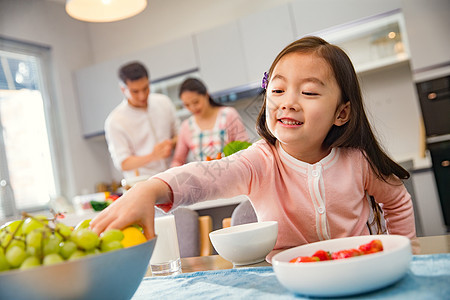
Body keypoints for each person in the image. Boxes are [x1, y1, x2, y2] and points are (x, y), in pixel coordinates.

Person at [92, 37, 418, 260]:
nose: (287, 102)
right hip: (290, 283)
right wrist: (149, 189)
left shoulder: (357, 161)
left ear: (342, 113)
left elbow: (397, 202)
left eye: (309, 93)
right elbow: (204, 177)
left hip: (357, 270)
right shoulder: (260, 161)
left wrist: (406, 250)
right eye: (277, 90)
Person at [104, 62, 179, 179]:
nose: (142, 96)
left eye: (145, 88)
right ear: (123, 89)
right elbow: (123, 163)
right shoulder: (115, 121)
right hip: (143, 182)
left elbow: (180, 135)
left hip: (174, 176)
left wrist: (171, 143)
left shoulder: (164, 102)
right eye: (135, 91)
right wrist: (153, 156)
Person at [171, 78, 249, 167]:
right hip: (203, 179)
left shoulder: (229, 115)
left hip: (233, 173)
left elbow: (245, 149)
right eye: (187, 105)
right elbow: (178, 160)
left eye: (196, 102)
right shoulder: (186, 126)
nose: (192, 108)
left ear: (206, 95)